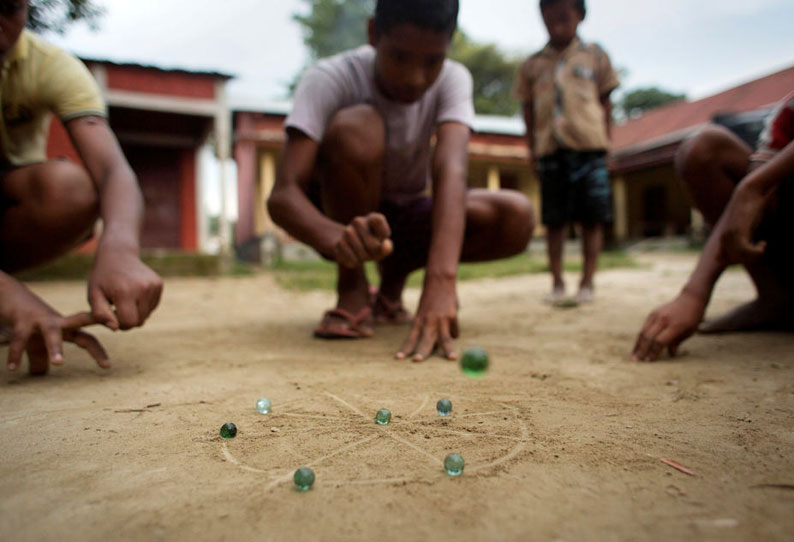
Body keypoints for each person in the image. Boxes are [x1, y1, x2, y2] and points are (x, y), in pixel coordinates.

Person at [267, 0, 534, 362]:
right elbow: (283, 195)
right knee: (356, 127)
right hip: (339, 216)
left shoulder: (454, 79)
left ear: (448, 45)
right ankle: (353, 286)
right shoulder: (329, 78)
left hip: (407, 216)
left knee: (516, 215)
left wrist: (441, 281)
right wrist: (339, 239)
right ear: (374, 33)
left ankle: (391, 288)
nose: (415, 79)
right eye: (399, 57)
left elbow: (451, 172)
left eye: (432, 62)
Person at [0, 1, 163, 374]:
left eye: (8, 8)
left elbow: (113, 171)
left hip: (8, 197)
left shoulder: (48, 64)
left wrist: (120, 247)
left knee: (69, 189)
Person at [633, 92, 794, 362]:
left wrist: (752, 186)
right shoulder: (787, 114)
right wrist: (694, 293)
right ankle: (775, 299)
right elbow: (746, 205)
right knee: (704, 146)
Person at [515, 0, 619, 305]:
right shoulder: (532, 64)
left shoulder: (595, 56)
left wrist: (608, 146)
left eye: (564, 13)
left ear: (580, 15)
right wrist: (532, 151)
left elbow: (606, 103)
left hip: (590, 147)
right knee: (554, 220)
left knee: (592, 218)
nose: (555, 19)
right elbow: (528, 112)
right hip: (549, 149)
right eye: (548, 13)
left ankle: (587, 282)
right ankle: (557, 283)